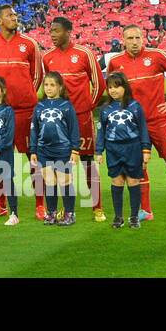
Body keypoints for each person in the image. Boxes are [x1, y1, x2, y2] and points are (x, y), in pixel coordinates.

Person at [106, 25, 166, 223]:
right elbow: (113, 90)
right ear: (123, 40)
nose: (134, 42)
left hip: (158, 121)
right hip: (133, 126)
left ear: (143, 38)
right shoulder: (116, 62)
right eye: (130, 38)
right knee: (139, 167)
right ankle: (146, 211)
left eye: (137, 37)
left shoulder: (157, 56)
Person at [0, 5, 43, 219]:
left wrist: (25, 95)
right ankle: (0, 204)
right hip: (0, 112)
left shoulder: (30, 43)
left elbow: (37, 76)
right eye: (10, 15)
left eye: (15, 15)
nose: (15, 18)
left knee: (33, 157)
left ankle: (40, 205)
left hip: (25, 110)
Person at [43, 17, 106, 221]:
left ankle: (97, 207)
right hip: (57, 121)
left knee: (88, 163)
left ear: (69, 31)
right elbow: (48, 88)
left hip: (81, 117)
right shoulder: (48, 57)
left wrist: (88, 107)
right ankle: (63, 209)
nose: (52, 34)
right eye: (51, 31)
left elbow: (99, 85)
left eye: (57, 31)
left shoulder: (84, 54)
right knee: (57, 165)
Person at [97, 72, 151, 228]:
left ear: (125, 87)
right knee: (117, 180)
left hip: (132, 148)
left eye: (117, 87)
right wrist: (99, 151)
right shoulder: (105, 109)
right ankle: (118, 217)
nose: (113, 91)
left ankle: (134, 217)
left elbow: (143, 129)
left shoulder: (134, 106)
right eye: (110, 88)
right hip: (113, 149)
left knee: (133, 180)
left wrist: (145, 150)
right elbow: (100, 131)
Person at [30, 72, 80, 226]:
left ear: (60, 86)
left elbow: (74, 129)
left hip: (63, 149)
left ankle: (69, 213)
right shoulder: (39, 106)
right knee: (49, 182)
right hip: (44, 150)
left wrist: (75, 150)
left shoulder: (66, 105)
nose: (49, 88)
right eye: (46, 85)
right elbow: (34, 129)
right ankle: (51, 213)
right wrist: (33, 150)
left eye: (52, 85)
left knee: (64, 181)